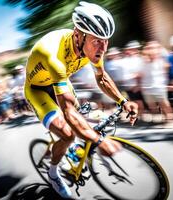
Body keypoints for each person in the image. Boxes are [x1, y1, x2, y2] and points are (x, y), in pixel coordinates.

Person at [24, 2, 138, 198]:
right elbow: (68, 112)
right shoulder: (53, 54)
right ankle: (53, 173)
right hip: (38, 90)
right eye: (97, 41)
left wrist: (122, 101)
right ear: (78, 34)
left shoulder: (92, 46)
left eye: (106, 41)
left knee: (87, 117)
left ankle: (73, 150)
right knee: (68, 133)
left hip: (60, 82)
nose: (102, 48)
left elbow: (101, 77)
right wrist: (99, 141)